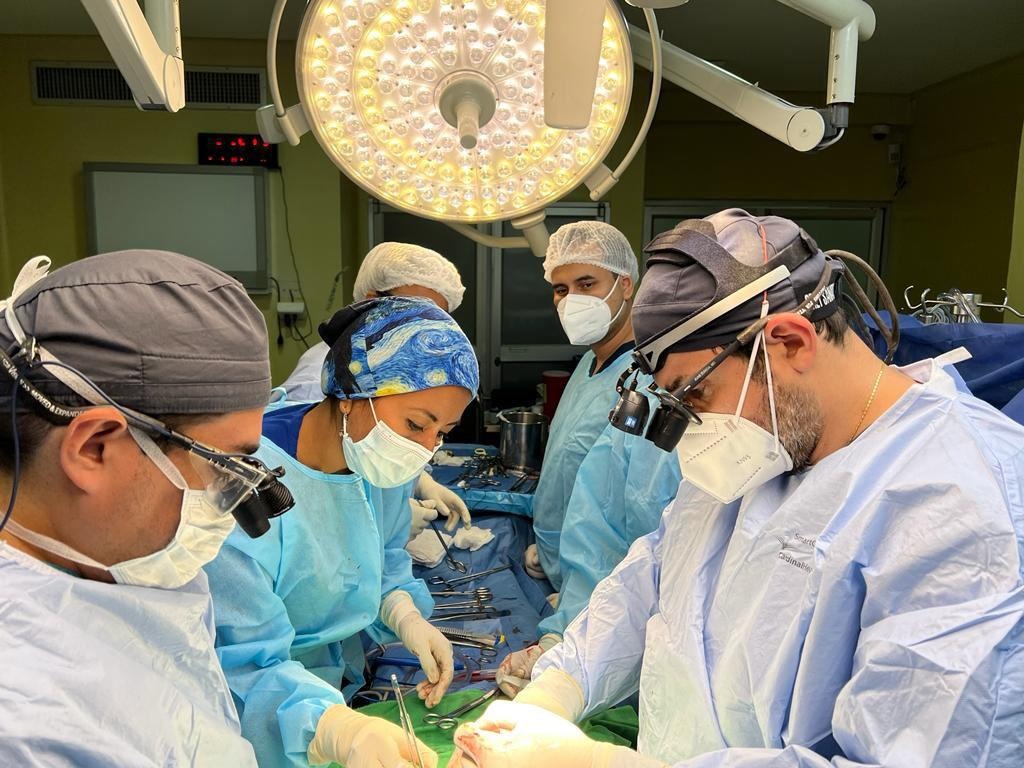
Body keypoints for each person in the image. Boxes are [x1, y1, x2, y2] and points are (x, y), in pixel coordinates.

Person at [452, 209, 1024, 768]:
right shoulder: (765, 447)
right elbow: (653, 577)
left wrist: (595, 762)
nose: (691, 432)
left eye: (695, 398)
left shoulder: (965, 505)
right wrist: (557, 693)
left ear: (791, 342)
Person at [0, 251, 290, 765]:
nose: (226, 506)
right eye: (223, 469)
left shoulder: (116, 565)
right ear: (95, 447)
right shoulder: (25, 724)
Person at [205, 296, 479, 768]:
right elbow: (242, 660)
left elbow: (384, 559)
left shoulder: (374, 464)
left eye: (444, 431)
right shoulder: (242, 484)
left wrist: (405, 616)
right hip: (251, 711)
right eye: (416, 423)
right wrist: (329, 728)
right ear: (352, 397)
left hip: (334, 680)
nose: (426, 449)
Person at [279, 241, 470, 539]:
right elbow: (309, 466)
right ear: (372, 302)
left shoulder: (428, 382)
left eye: (437, 317)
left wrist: (417, 484)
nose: (424, 328)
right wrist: (386, 522)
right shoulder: (331, 375)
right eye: (410, 309)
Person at [526, 221, 640, 588]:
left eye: (587, 284)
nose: (571, 299)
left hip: (598, 582)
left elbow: (635, 513)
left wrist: (585, 596)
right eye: (561, 289)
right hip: (559, 562)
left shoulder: (643, 384)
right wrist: (550, 551)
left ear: (625, 285)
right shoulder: (590, 365)